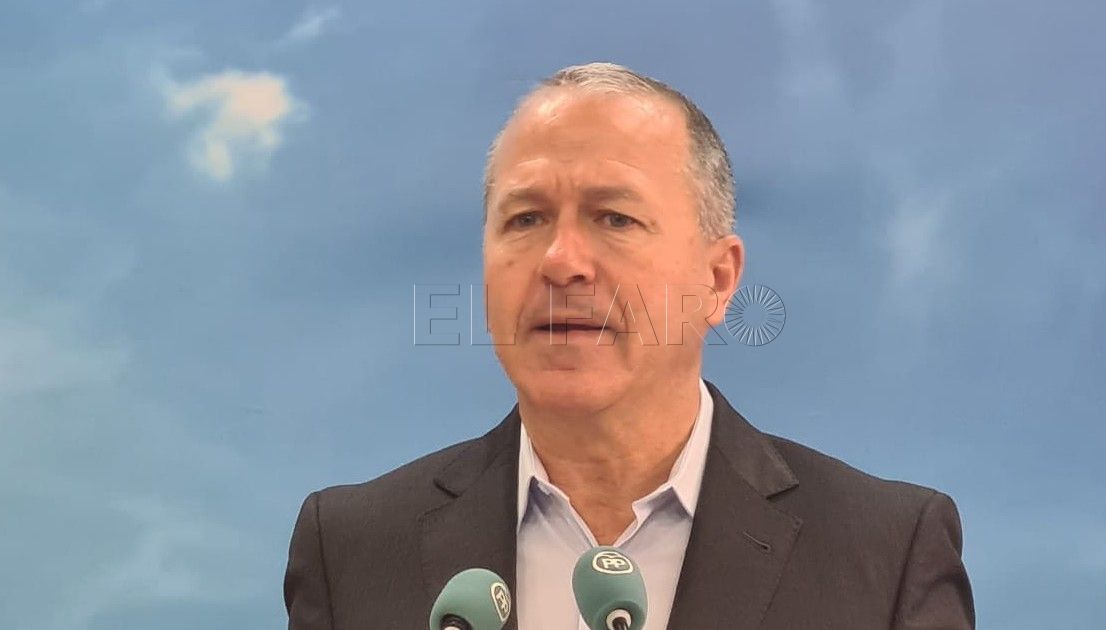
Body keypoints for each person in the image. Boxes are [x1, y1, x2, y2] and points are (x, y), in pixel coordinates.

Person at [284, 62, 975, 630]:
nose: (561, 261)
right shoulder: (352, 550)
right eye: (525, 219)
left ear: (717, 279)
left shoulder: (884, 553)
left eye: (614, 218)